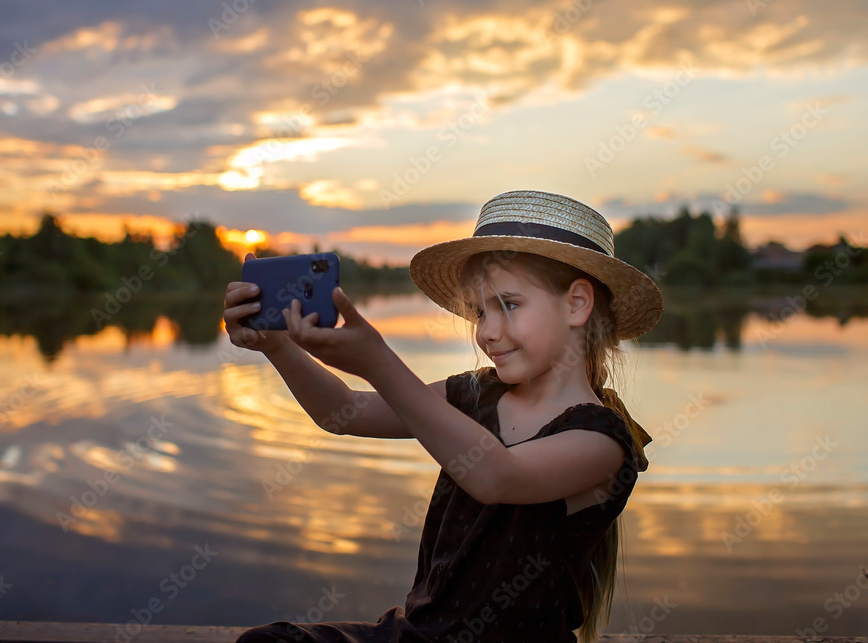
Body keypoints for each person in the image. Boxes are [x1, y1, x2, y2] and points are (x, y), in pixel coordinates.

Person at [222, 190, 663, 643]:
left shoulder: (602, 440)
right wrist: (277, 347)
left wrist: (377, 361)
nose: (487, 332)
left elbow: (495, 476)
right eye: (479, 311)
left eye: (509, 304)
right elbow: (341, 413)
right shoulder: (473, 393)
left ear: (576, 304)